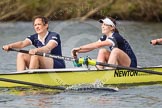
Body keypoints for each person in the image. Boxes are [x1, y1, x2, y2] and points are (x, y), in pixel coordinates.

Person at [71, 17, 137, 69]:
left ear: (112, 27)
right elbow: (92, 47)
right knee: (102, 51)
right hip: (120, 63)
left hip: (130, 64)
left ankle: (109, 74)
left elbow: (97, 45)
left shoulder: (116, 37)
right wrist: (77, 51)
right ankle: (99, 72)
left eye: (105, 24)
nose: (102, 26)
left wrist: (80, 48)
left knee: (115, 51)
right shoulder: (105, 37)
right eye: (102, 24)